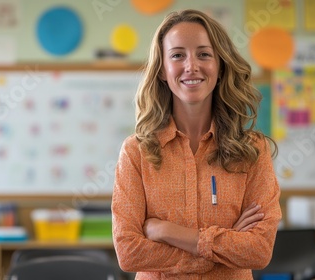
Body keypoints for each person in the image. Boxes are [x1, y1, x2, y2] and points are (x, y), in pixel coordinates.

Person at [111, 9, 282, 279]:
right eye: (178, 55)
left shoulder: (253, 151)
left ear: (220, 66)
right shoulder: (136, 152)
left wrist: (166, 231)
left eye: (204, 54)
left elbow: (259, 251)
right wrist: (224, 250)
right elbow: (129, 252)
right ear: (163, 71)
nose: (191, 66)